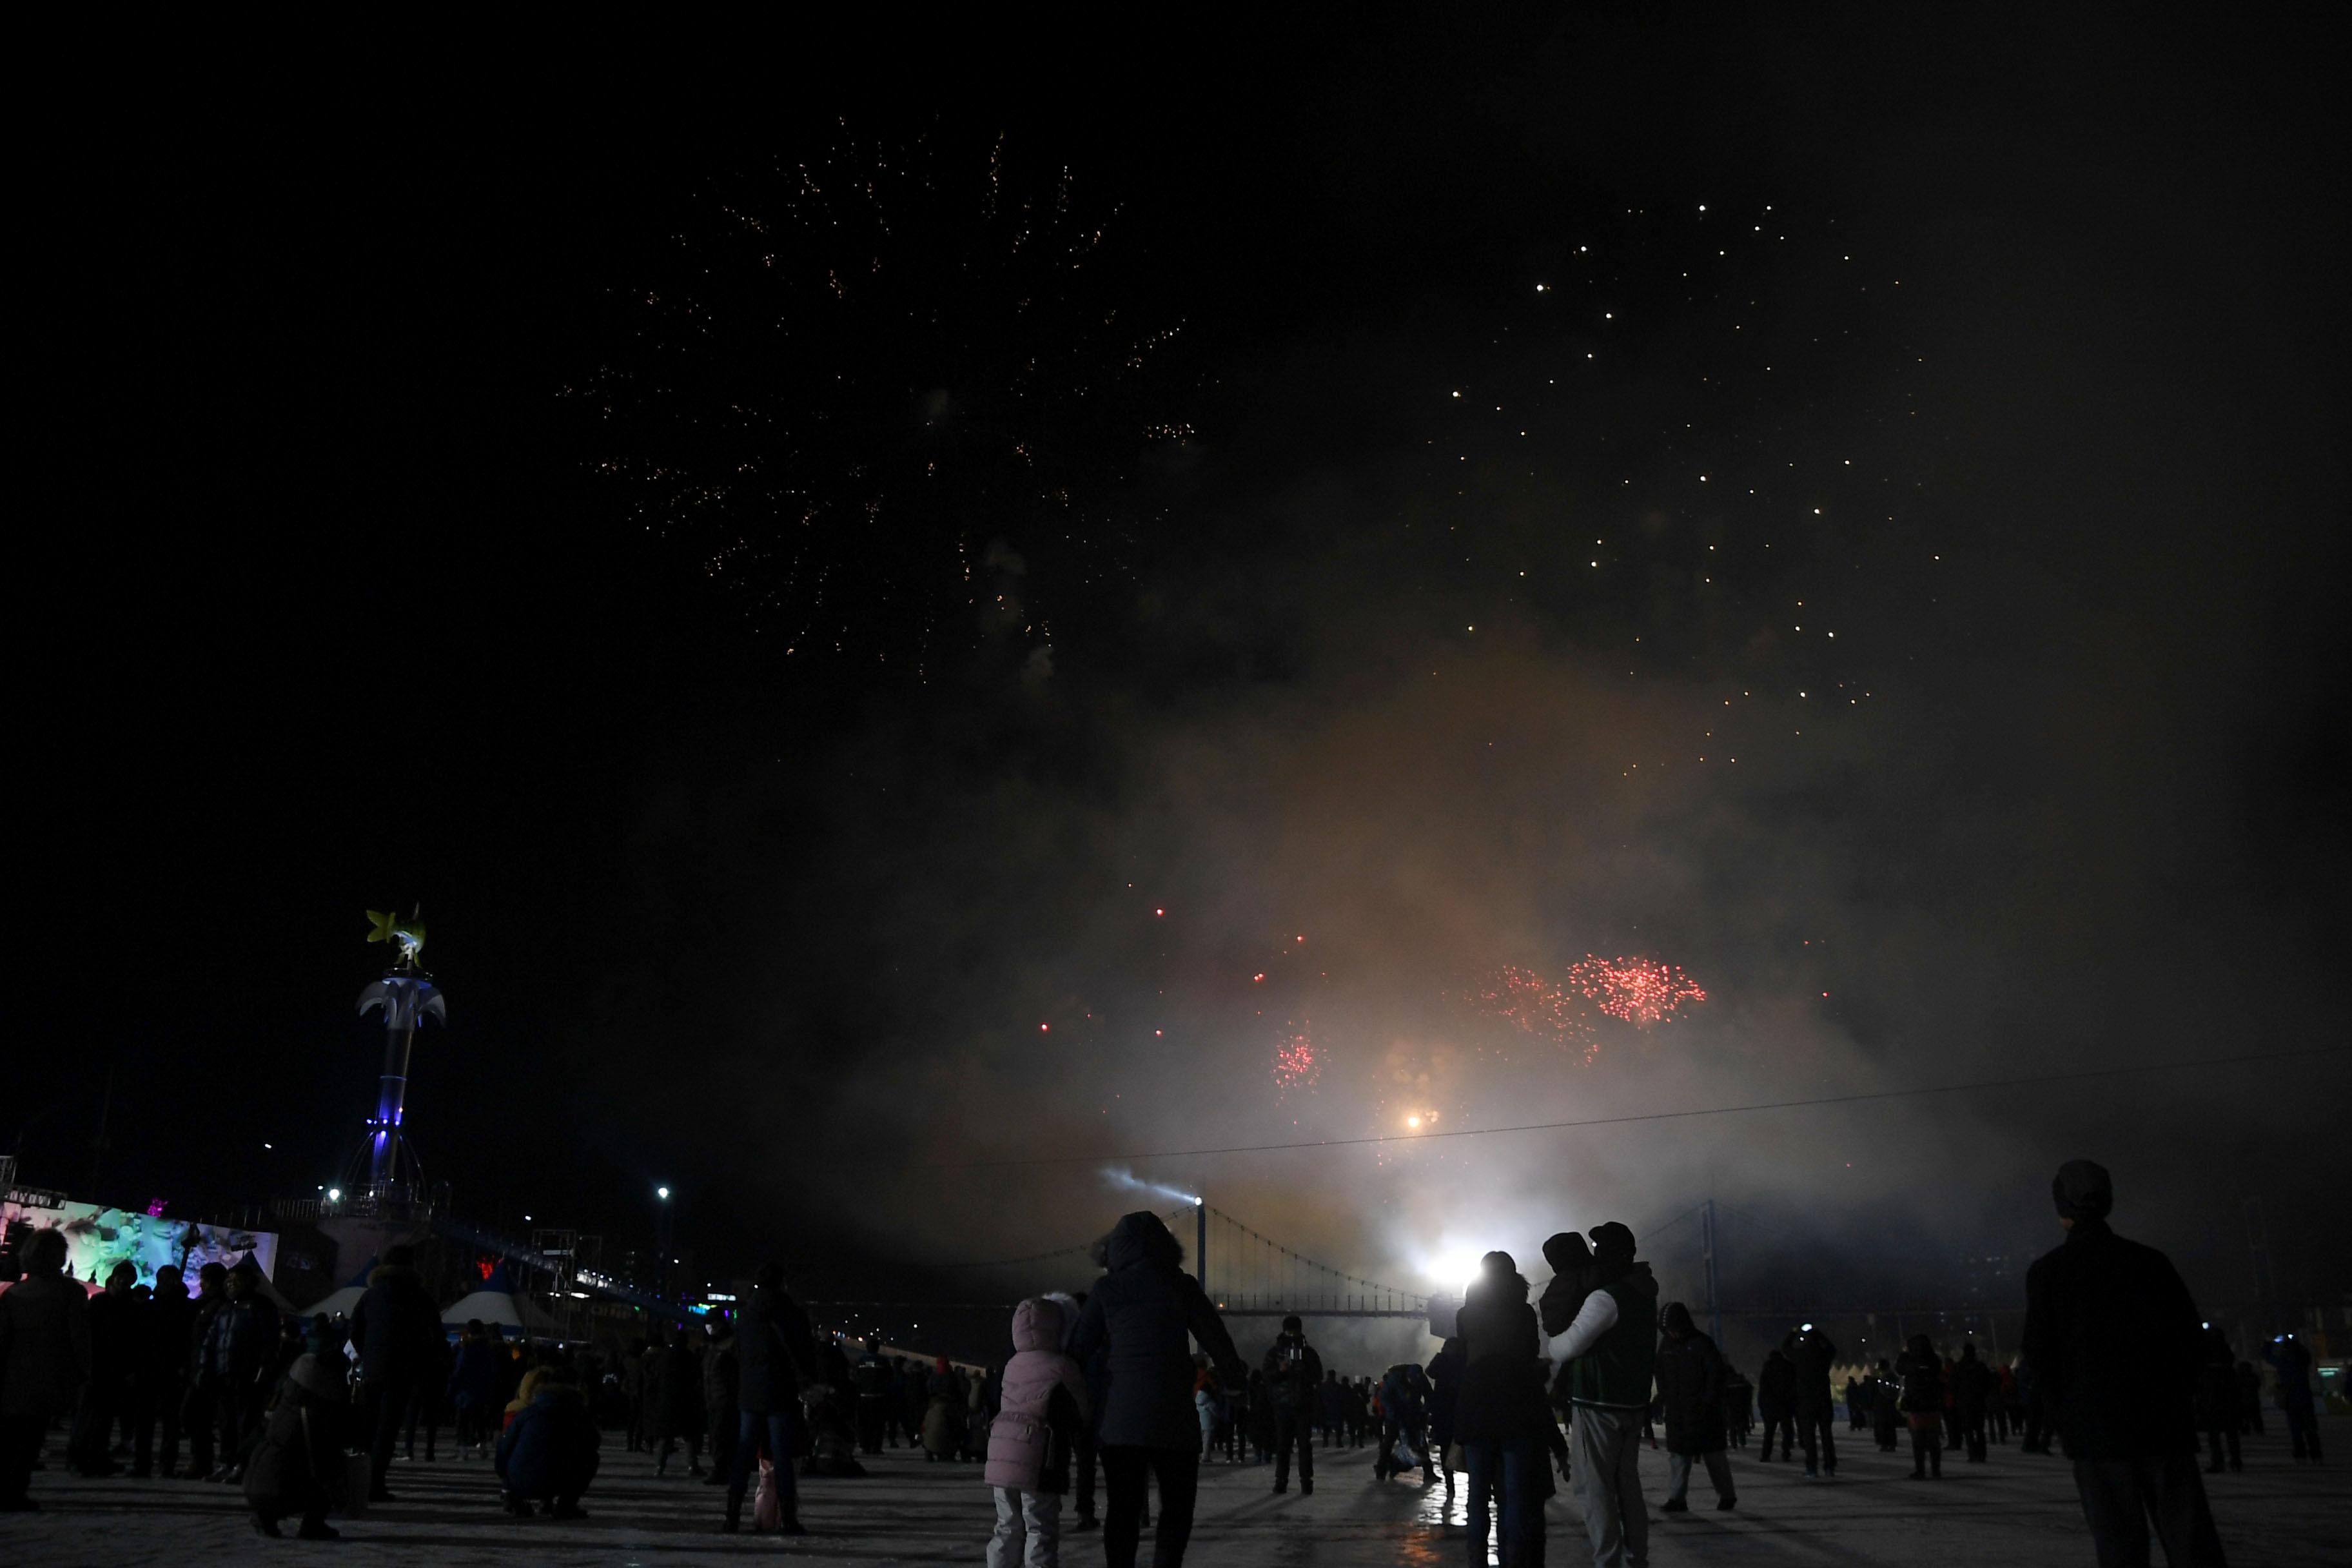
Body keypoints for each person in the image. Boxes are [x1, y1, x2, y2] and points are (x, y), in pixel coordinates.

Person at [2022, 1158, 2226, 1567]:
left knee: (2120, 1546)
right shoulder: (2150, 1262)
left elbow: (2039, 1359)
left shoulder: (2050, 1272)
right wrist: (2175, 1397)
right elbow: (2192, 1343)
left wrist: (2065, 1418)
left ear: (2062, 1209)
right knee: (2191, 1542)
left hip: (2097, 1433)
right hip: (2163, 1425)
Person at [1068, 1210, 1245, 1568]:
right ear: (1165, 1247)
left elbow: (1077, 1352)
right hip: (1174, 1416)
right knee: (1177, 1507)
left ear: (1116, 1250)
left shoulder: (1106, 1290)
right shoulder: (1182, 1286)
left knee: (1123, 1509)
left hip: (1121, 1420)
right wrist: (1236, 1383)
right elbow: (1218, 1342)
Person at [1547, 1220, 1657, 1568]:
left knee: (1593, 1487)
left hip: (1599, 1400)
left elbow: (1566, 1347)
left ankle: (1608, 1560)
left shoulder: (1607, 1298)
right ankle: (1635, 1556)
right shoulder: (1644, 1293)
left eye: (1599, 1249)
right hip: (1632, 1401)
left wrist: (1551, 1346)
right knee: (1626, 1484)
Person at [1456, 1251, 1557, 1568]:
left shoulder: (1465, 1314)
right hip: (1516, 1407)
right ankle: (1512, 1560)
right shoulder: (1525, 1314)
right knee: (1514, 1497)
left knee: (1476, 1498)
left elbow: (1465, 1356)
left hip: (1475, 1409)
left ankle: (1477, 1562)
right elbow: (1530, 1354)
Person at [986, 1297, 1089, 1568]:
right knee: (1039, 1529)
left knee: (1006, 1526)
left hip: (1001, 1452)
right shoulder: (1063, 1365)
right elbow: (1082, 1410)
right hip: (1039, 1455)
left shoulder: (1011, 1364)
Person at [723, 1262, 816, 1535]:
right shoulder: (793, 1314)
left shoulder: (745, 1316)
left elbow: (738, 1353)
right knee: (782, 1456)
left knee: (743, 1454)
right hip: (781, 1393)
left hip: (750, 1393)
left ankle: (732, 1517)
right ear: (782, 1283)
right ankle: (788, 1518)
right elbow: (805, 1354)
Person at [0, 1230, 91, 1511]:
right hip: (49, 1374)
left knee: (9, 1438)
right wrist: (86, 1372)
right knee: (31, 1437)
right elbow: (79, 1338)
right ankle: (14, 1491)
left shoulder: (13, 1294)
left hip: (12, 1376)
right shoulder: (71, 1292)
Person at [348, 1242, 438, 1502]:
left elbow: (354, 1331)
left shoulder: (371, 1294)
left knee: (369, 1427)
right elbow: (433, 1335)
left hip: (373, 1370)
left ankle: (358, 1480)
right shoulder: (419, 1296)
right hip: (403, 1372)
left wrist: (369, 1354)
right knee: (387, 1430)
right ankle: (375, 1483)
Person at [242, 1353, 346, 1538]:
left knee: (281, 1462)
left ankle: (264, 1516)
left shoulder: (285, 1401)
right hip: (278, 1488)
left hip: (252, 1483)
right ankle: (313, 1524)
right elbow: (324, 1462)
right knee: (330, 1469)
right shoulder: (316, 1414)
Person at [201, 1257, 280, 1481]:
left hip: (248, 1374)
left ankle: (244, 1465)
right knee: (226, 1423)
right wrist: (205, 1367)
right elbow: (212, 1339)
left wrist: (264, 1368)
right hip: (224, 1373)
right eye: (229, 1280)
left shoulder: (261, 1306)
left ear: (249, 1282)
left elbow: (270, 1341)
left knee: (246, 1423)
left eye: (236, 1280)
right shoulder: (226, 1307)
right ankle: (227, 1462)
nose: (231, 1284)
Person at [1654, 1302, 1736, 1513]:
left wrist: (1708, 1403)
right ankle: (1677, 1498)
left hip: (1704, 1413)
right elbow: (1660, 1373)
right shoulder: (1667, 1346)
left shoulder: (1702, 1344)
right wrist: (1665, 1397)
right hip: (1678, 1414)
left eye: (1673, 1329)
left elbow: (1715, 1376)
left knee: (1714, 1457)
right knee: (1679, 1458)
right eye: (1667, 1330)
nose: (1671, 1333)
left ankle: (1727, 1495)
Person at [496, 1366, 600, 1518]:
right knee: (591, 1458)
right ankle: (565, 1504)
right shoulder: (577, 1415)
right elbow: (594, 1442)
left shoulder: (527, 1414)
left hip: (520, 1481)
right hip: (559, 1480)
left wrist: (505, 1477)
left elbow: (505, 1448)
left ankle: (512, 1497)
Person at [72, 1260, 144, 1475]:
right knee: (90, 1415)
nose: (124, 1282)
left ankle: (96, 1455)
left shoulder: (132, 1307)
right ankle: (84, 1456)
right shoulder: (98, 1302)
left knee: (104, 1417)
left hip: (117, 1369)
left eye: (128, 1278)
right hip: (97, 1366)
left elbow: (135, 1341)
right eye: (121, 1277)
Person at [140, 1262, 194, 1477]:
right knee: (146, 1421)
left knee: (170, 1422)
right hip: (151, 1368)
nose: (166, 1284)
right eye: (163, 1279)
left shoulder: (187, 1309)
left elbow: (189, 1340)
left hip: (173, 1370)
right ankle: (143, 1462)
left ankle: (166, 1463)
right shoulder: (150, 1307)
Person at [1260, 1314, 1322, 1494]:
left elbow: (1318, 1375)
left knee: (1303, 1444)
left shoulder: (1309, 1353)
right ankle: (1282, 1481)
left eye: (1295, 1331)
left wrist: (1304, 1370)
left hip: (1301, 1404)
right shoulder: (1275, 1353)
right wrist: (1281, 1371)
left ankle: (1305, 1481)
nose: (1292, 1334)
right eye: (1290, 1331)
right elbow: (1267, 1376)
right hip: (1284, 1405)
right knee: (1284, 1445)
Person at [1781, 1322, 1839, 1478]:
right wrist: (1817, 1333)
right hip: (1824, 1399)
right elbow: (1832, 1348)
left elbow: (1785, 1348)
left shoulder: (1800, 1356)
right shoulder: (1823, 1356)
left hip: (1806, 1400)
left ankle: (1812, 1467)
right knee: (1827, 1435)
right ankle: (1829, 1466)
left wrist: (1794, 1331)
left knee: (1809, 1436)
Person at [649, 1326, 705, 1476]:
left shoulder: (664, 1357)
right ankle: (692, 1466)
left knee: (665, 1436)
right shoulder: (689, 1357)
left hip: (666, 1400)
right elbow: (696, 1378)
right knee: (689, 1435)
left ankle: (659, 1467)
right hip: (685, 1400)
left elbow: (655, 1379)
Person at [448, 1320, 504, 1460]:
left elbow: (460, 1370)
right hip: (483, 1390)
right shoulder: (489, 1349)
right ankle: (483, 1447)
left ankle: (463, 1450)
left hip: (466, 1391)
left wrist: (452, 1389)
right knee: (480, 1420)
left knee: (463, 1421)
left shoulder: (466, 1348)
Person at [2264, 1333, 2322, 1462]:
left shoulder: (2283, 1363)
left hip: (2291, 1398)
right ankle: (2316, 1453)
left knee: (2296, 1429)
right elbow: (2307, 1356)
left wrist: (2268, 1343)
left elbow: (2268, 1357)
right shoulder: (2302, 1361)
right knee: (2311, 1428)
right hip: (2305, 1396)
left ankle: (2300, 1453)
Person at [1378, 1359, 1436, 1484]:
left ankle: (1429, 1473)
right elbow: (1384, 1396)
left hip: (1414, 1415)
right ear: (1407, 1377)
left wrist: (1425, 1410)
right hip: (1395, 1417)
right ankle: (1381, 1471)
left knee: (1421, 1444)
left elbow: (1429, 1396)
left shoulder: (1421, 1379)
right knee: (1388, 1443)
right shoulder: (1395, 1378)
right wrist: (1393, 1412)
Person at [1896, 1336, 1946, 1478]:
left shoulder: (1911, 1361)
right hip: (1932, 1405)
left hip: (1917, 1406)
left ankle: (1921, 1470)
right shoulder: (1934, 1360)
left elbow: (1899, 1368)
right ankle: (1936, 1470)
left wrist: (1904, 1354)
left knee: (1918, 1441)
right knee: (1934, 1440)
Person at [2193, 1327, 2241, 1475]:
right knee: (2231, 1434)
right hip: (2227, 1401)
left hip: (2212, 1401)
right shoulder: (2227, 1360)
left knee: (2214, 1435)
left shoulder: (2205, 1362)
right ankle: (2235, 1461)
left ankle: (2219, 1462)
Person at [1426, 1335, 1464, 1499]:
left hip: (1447, 1412)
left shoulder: (1450, 1363)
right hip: (1456, 1411)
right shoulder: (1459, 1362)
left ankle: (1451, 1485)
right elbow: (1430, 1371)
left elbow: (1430, 1371)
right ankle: (1452, 1485)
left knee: (1446, 1449)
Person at [703, 1315, 740, 1484]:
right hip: (715, 1397)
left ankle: (722, 1469)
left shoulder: (728, 1346)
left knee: (721, 1436)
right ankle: (722, 1468)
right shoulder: (715, 1348)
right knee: (717, 1436)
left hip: (723, 1399)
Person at [1952, 1341, 1995, 1464]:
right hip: (1978, 1401)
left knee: (1968, 1430)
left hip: (1965, 1402)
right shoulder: (1980, 1366)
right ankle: (1981, 1454)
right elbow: (1989, 1383)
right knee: (1979, 1430)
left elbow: (1953, 1385)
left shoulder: (1959, 1367)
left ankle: (1972, 1454)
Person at [852, 1338, 892, 1455]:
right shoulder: (883, 1361)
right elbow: (890, 1378)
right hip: (879, 1397)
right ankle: (876, 1447)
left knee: (864, 1423)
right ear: (878, 1348)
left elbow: (855, 1377)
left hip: (863, 1397)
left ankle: (865, 1446)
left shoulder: (861, 1361)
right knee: (878, 1424)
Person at [1755, 1348, 1796, 1461]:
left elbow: (1763, 1390)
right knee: (1787, 1431)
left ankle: (1766, 1455)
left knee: (1769, 1433)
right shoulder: (1789, 1367)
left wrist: (1762, 1405)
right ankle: (1786, 1453)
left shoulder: (1767, 1369)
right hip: (1786, 1405)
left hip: (1771, 1406)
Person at [1870, 1359, 1901, 1453]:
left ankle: (1885, 1444)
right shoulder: (1893, 1377)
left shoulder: (1883, 1378)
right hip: (1890, 1404)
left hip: (1883, 1405)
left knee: (1884, 1425)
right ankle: (1891, 1444)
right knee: (1890, 1426)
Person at [1721, 1364, 1754, 1449]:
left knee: (1732, 1426)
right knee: (1741, 1425)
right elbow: (1750, 1389)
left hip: (1730, 1407)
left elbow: (1723, 1396)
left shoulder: (1725, 1382)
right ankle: (1742, 1441)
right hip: (1742, 1406)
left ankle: (1734, 1444)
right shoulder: (1741, 1379)